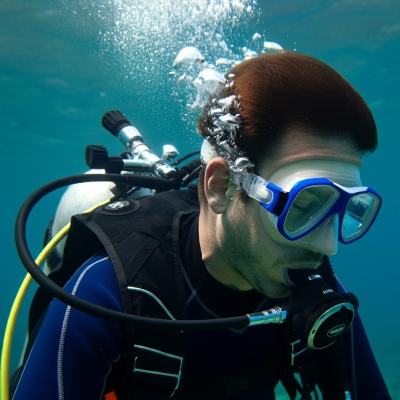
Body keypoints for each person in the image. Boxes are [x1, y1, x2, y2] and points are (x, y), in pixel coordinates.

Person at [12, 52, 391, 400]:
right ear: (222, 187)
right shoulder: (108, 293)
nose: (327, 247)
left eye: (345, 210)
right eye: (303, 207)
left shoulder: (317, 292)